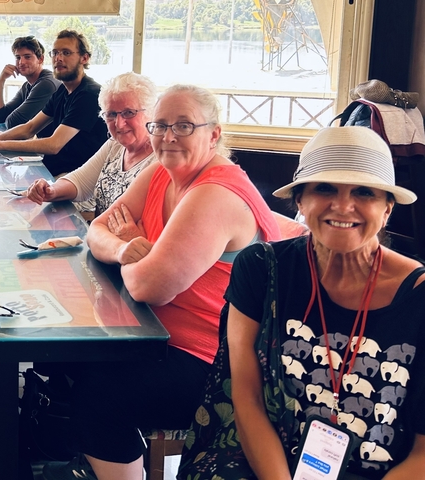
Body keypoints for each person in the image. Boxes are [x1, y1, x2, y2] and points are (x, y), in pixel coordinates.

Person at [43, 84, 280, 480]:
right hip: (149, 329)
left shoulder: (215, 194)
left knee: (101, 393)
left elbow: (148, 287)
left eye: (184, 126)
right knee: (63, 353)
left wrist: (134, 248)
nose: (169, 136)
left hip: (214, 363)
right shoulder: (161, 170)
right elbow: (97, 229)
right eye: (161, 125)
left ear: (214, 134)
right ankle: (88, 458)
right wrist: (125, 248)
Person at [179, 125, 425, 480]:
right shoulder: (261, 270)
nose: (343, 206)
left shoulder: (418, 297)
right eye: (324, 187)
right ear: (300, 200)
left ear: (387, 208)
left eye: (364, 192)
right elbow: (247, 398)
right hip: (265, 458)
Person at [0, 29, 108, 177]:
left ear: (84, 58)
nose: (58, 58)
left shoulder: (89, 94)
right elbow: (29, 127)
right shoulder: (63, 90)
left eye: (66, 53)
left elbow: (54, 145)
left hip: (76, 176)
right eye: (55, 53)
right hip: (53, 169)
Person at [25, 72, 156, 220]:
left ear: (151, 112)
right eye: (111, 114)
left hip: (113, 234)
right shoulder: (115, 145)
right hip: (99, 231)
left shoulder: (160, 159)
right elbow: (80, 182)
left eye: (129, 113)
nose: (119, 124)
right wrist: (50, 190)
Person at [0, 35, 61, 129]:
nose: (21, 62)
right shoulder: (27, 86)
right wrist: (0, 81)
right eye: (18, 57)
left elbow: (13, 122)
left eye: (27, 57)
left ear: (40, 59)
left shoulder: (46, 84)